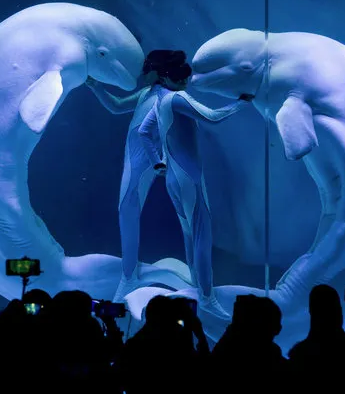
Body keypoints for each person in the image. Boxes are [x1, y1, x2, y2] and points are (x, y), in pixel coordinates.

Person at [138, 51, 254, 318]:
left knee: (191, 235)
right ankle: (206, 296)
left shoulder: (161, 100)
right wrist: (241, 103)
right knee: (202, 236)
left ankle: (196, 286)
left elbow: (146, 132)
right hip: (189, 178)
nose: (188, 82)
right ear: (179, 79)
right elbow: (212, 116)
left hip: (173, 178)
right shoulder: (178, 98)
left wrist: (158, 162)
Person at [85, 51, 186, 302]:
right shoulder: (146, 94)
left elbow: (166, 130)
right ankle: (129, 274)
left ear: (158, 72)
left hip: (147, 161)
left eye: (147, 67)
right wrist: (95, 85)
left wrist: (160, 160)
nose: (143, 72)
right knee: (127, 211)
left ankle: (129, 277)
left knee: (129, 210)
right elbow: (116, 106)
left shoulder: (168, 97)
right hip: (136, 160)